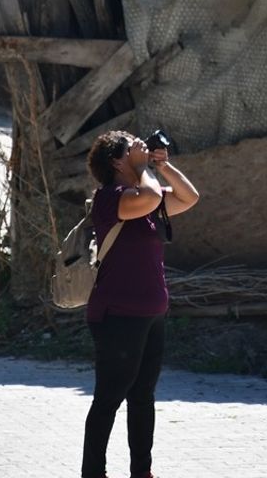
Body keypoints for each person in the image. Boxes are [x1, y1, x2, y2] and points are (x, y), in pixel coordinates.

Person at [81, 130, 199, 478]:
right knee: (108, 399)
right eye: (131, 149)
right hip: (117, 314)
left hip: (151, 314)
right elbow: (148, 198)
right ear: (117, 162)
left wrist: (162, 165)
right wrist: (143, 166)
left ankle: (141, 471)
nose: (141, 149)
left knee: (143, 397)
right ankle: (93, 473)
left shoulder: (147, 196)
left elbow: (189, 197)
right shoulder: (110, 198)